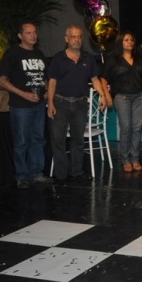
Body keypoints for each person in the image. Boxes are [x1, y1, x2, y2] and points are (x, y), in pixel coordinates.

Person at [46, 25, 107, 182]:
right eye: (73, 36)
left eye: (79, 36)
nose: (77, 39)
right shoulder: (58, 58)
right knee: (58, 140)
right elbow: (52, 82)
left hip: (80, 103)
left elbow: (95, 79)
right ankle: (61, 175)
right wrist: (50, 103)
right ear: (66, 39)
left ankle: (76, 171)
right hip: (60, 103)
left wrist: (102, 95)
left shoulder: (88, 58)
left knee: (78, 140)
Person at [0, 22, 51, 188]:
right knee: (21, 141)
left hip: (39, 104)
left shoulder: (39, 54)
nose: (33, 35)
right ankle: (22, 176)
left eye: (34, 32)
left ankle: (36, 173)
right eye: (29, 33)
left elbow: (45, 77)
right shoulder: (12, 53)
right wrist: (22, 94)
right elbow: (1, 81)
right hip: (20, 105)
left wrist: (47, 91)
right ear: (20, 35)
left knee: (38, 139)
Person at [100, 31, 142, 172]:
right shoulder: (113, 59)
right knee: (126, 127)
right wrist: (107, 95)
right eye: (126, 40)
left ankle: (135, 158)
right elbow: (103, 79)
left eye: (132, 40)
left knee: (137, 128)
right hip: (121, 96)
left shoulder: (140, 58)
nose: (130, 42)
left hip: (140, 96)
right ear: (121, 42)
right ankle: (125, 159)